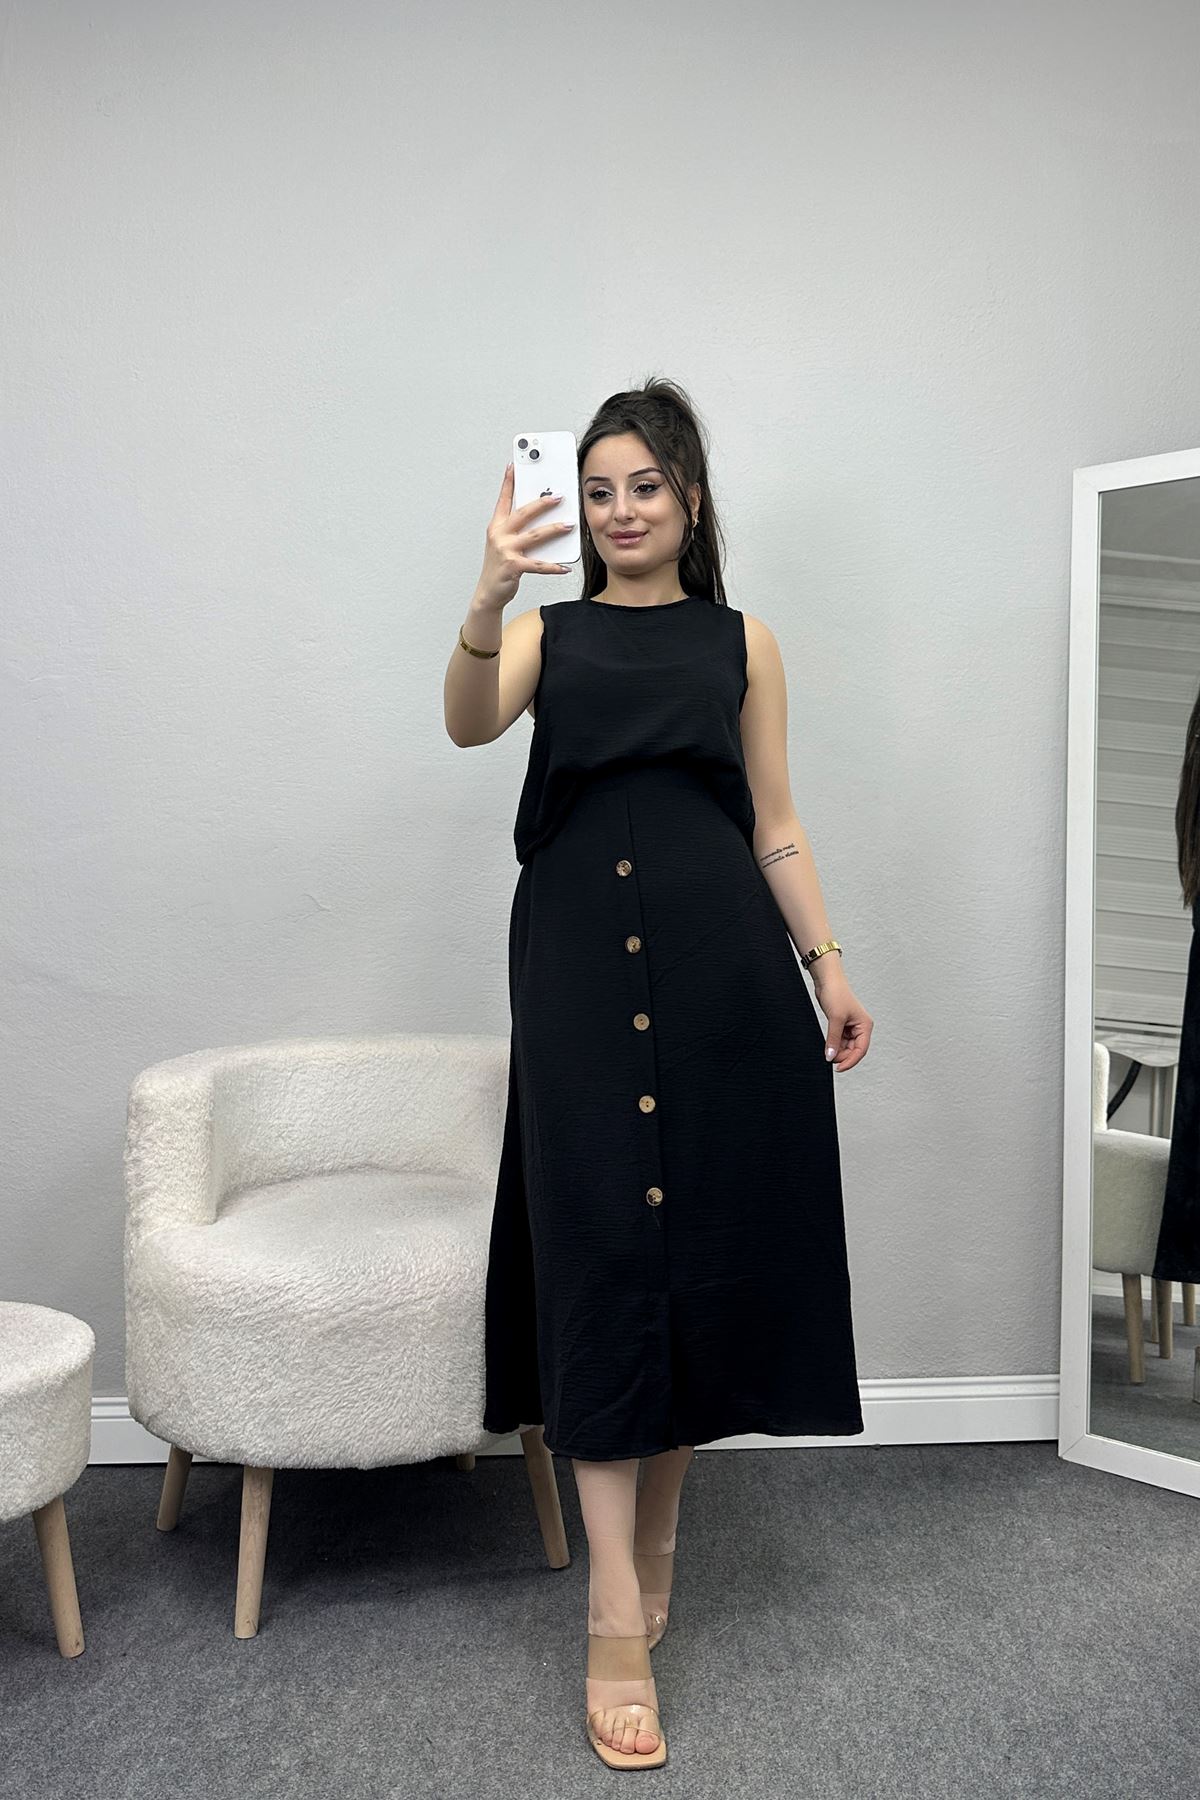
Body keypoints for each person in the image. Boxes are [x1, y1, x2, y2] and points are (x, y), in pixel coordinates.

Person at [443, 377, 874, 1770]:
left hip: (721, 977)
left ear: (689, 496)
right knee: (604, 1254)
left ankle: (659, 1543)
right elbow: (465, 721)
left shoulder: (745, 643)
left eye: (645, 485)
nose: (621, 510)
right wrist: (488, 591)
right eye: (599, 489)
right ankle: (613, 1611)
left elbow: (776, 821)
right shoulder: (548, 635)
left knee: (693, 1253)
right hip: (576, 973)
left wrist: (827, 966)